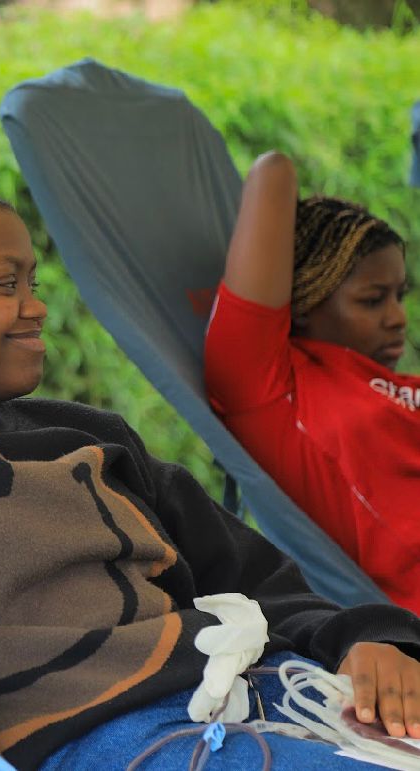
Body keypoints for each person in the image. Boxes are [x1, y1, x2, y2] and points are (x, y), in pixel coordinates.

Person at [0, 183, 420, 770]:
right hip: (119, 731)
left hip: (269, 691)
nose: (36, 306)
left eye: (32, 285)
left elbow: (255, 577)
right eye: (4, 285)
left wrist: (367, 640)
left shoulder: (90, 436)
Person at [203, 151, 418, 614]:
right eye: (373, 300)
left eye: (399, 296)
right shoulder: (271, 390)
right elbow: (273, 173)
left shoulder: (393, 385)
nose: (398, 318)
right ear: (305, 300)